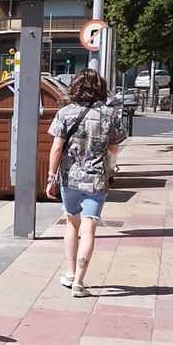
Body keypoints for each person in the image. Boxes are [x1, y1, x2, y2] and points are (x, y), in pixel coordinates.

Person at [46, 69, 127, 297]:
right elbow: (113, 148)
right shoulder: (110, 115)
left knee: (72, 223)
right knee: (89, 228)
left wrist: (51, 177)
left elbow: (56, 148)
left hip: (69, 178)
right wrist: (110, 167)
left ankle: (70, 273)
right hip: (96, 179)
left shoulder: (65, 113)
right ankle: (79, 283)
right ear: (100, 87)